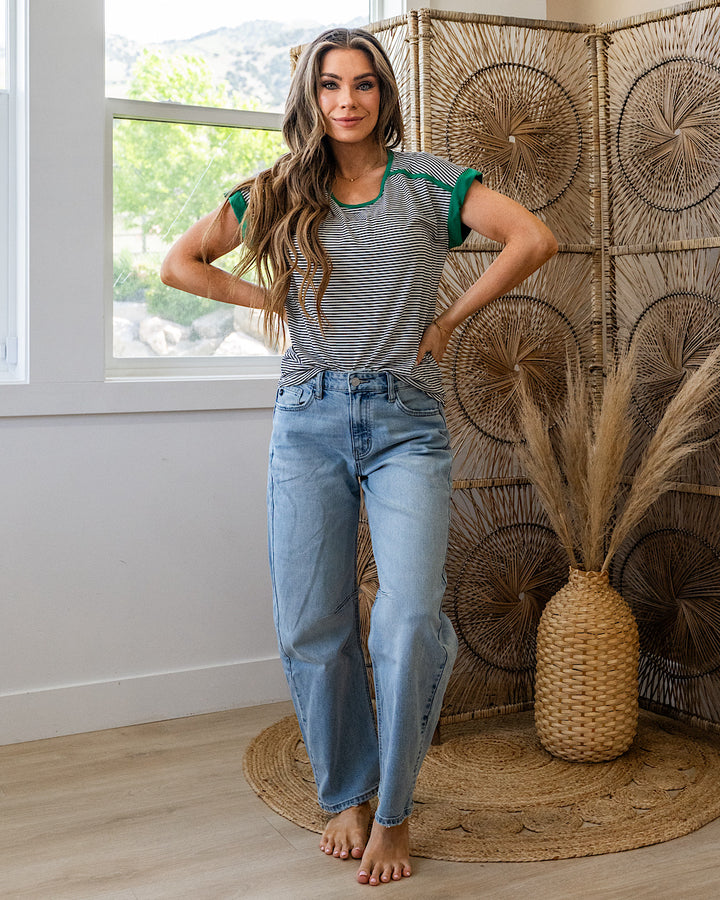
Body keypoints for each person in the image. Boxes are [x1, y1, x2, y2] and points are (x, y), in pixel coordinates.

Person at [161, 26, 557, 887]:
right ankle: (345, 791)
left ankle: (394, 810)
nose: (347, 100)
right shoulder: (277, 189)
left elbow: (532, 238)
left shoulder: (429, 182)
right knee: (314, 622)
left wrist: (448, 321)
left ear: (385, 94)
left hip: (405, 422)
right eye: (331, 84)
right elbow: (179, 264)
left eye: (364, 83)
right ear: (309, 96)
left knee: (408, 619)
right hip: (306, 422)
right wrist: (268, 298)